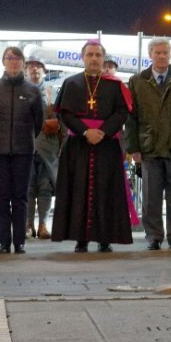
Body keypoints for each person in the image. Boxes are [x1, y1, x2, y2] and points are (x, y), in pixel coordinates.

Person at [51, 40, 133, 252]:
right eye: (90, 55)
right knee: (78, 190)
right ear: (83, 57)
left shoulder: (115, 85)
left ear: (103, 58)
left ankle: (105, 239)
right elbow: (65, 113)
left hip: (107, 145)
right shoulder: (71, 83)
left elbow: (122, 112)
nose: (94, 59)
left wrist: (103, 132)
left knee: (106, 191)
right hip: (78, 144)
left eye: (98, 55)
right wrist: (86, 132)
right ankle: (81, 239)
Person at [125, 38, 171, 251]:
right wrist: (133, 148)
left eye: (165, 52)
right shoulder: (138, 80)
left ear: (170, 54)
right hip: (149, 146)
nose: (162, 56)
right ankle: (154, 236)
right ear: (150, 55)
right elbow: (132, 118)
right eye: (157, 52)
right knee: (151, 196)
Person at [0, 46, 44, 254]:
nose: (13, 61)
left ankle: (19, 241)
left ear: (23, 62)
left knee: (20, 196)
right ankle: (4, 242)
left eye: (17, 58)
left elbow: (39, 121)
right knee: (1, 197)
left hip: (23, 150)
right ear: (3, 62)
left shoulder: (33, 90)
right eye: (9, 58)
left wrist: (26, 138)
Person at [24, 58, 60, 239]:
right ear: (25, 71)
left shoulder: (52, 92)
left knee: (45, 188)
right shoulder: (20, 91)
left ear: (44, 71)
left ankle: (44, 224)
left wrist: (56, 123)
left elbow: (63, 118)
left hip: (47, 148)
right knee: (28, 188)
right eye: (30, 67)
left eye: (38, 67)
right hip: (25, 147)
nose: (34, 70)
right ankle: (28, 225)